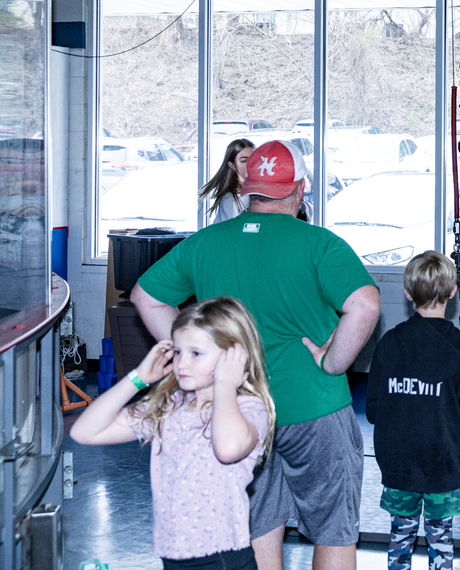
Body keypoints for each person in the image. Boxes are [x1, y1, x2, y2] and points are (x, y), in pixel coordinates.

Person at [132, 140, 381, 570]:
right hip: (315, 407)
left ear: (246, 188)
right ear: (300, 189)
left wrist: (194, 360)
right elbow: (366, 304)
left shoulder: (205, 244)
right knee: (334, 530)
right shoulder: (321, 245)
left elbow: (145, 297)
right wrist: (334, 362)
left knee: (259, 525)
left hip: (240, 410)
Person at [70, 297, 275, 570]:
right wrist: (138, 377)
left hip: (221, 558)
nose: (182, 364)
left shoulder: (248, 409)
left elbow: (227, 449)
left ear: (233, 359)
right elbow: (85, 432)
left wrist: (225, 383)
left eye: (196, 353)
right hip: (173, 555)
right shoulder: (170, 406)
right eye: (178, 351)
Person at [366, 251, 460, 570]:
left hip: (399, 462)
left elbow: (374, 408)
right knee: (441, 539)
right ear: (452, 292)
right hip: (442, 463)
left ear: (407, 293)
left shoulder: (389, 344)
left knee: (400, 537)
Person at [201, 138, 256, 224]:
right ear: (232, 165)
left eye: (254, 159)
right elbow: (232, 233)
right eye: (244, 161)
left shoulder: (260, 192)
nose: (250, 164)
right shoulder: (230, 199)